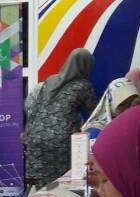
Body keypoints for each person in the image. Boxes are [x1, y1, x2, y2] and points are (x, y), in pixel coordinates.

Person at [24, 48, 97, 188]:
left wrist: (28, 133)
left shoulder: (50, 80)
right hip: (60, 140)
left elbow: (35, 108)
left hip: (36, 136)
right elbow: (95, 112)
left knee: (42, 185)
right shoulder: (83, 86)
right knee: (60, 185)